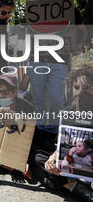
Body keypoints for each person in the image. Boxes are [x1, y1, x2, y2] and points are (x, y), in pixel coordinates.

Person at [28, 0, 87, 158]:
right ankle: (39, 130)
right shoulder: (35, 11)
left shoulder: (71, 10)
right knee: (38, 99)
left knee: (56, 99)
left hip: (59, 62)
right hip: (36, 60)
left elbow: (82, 32)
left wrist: (78, 46)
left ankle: (52, 132)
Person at [34, 64, 93, 201]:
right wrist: (53, 157)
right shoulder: (68, 112)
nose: (79, 93)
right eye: (76, 88)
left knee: (52, 180)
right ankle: (77, 185)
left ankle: (70, 184)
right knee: (40, 157)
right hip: (72, 164)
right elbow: (62, 142)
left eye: (85, 89)